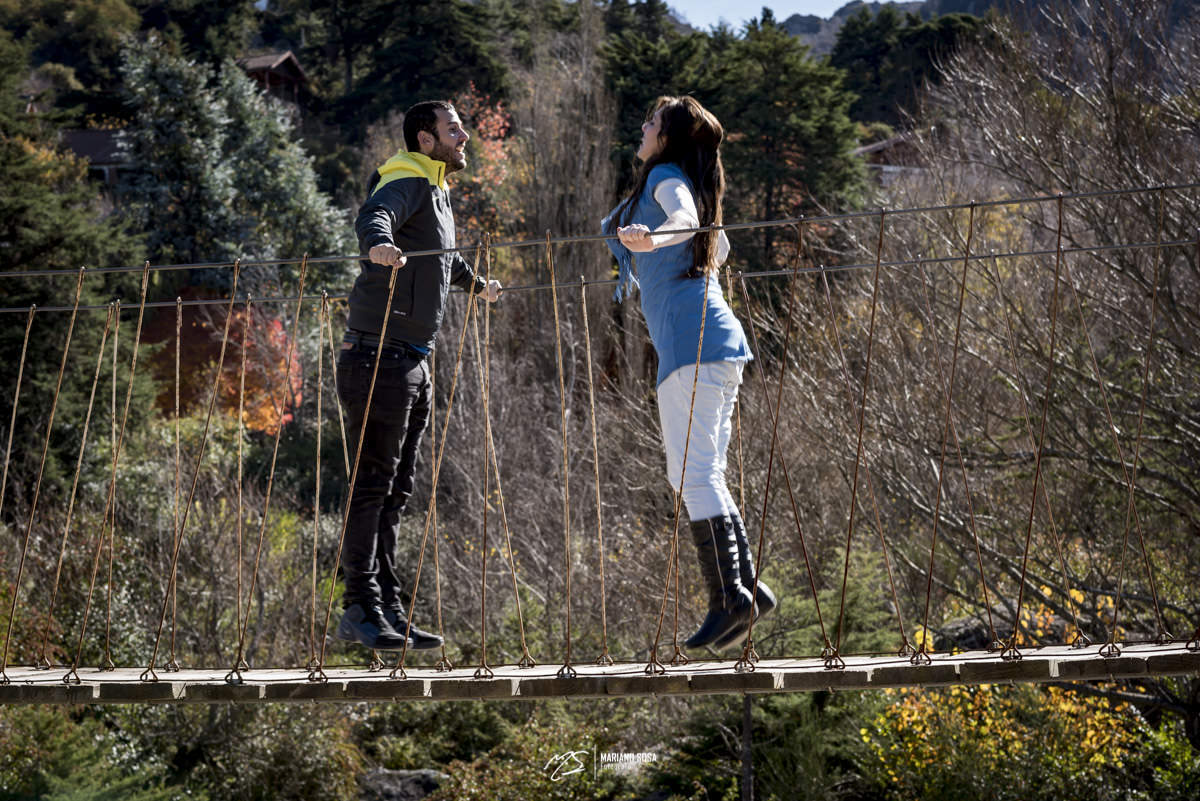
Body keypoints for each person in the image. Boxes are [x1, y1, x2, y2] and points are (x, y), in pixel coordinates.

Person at [603, 96, 776, 651]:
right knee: (699, 474)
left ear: (668, 139)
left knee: (692, 476)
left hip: (692, 342)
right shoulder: (686, 181)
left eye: (651, 121)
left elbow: (684, 220)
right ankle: (746, 588)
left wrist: (654, 239)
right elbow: (715, 243)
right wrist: (667, 246)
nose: (643, 125)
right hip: (713, 342)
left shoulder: (668, 178)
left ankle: (732, 600)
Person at [336, 100, 501, 651]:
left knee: (397, 489)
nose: (466, 135)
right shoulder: (406, 177)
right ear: (425, 139)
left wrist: (477, 284)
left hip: (410, 358)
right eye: (454, 128)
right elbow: (373, 216)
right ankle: (359, 606)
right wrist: (378, 245)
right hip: (377, 356)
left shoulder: (437, 192)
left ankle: (387, 608)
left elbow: (444, 258)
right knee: (373, 486)